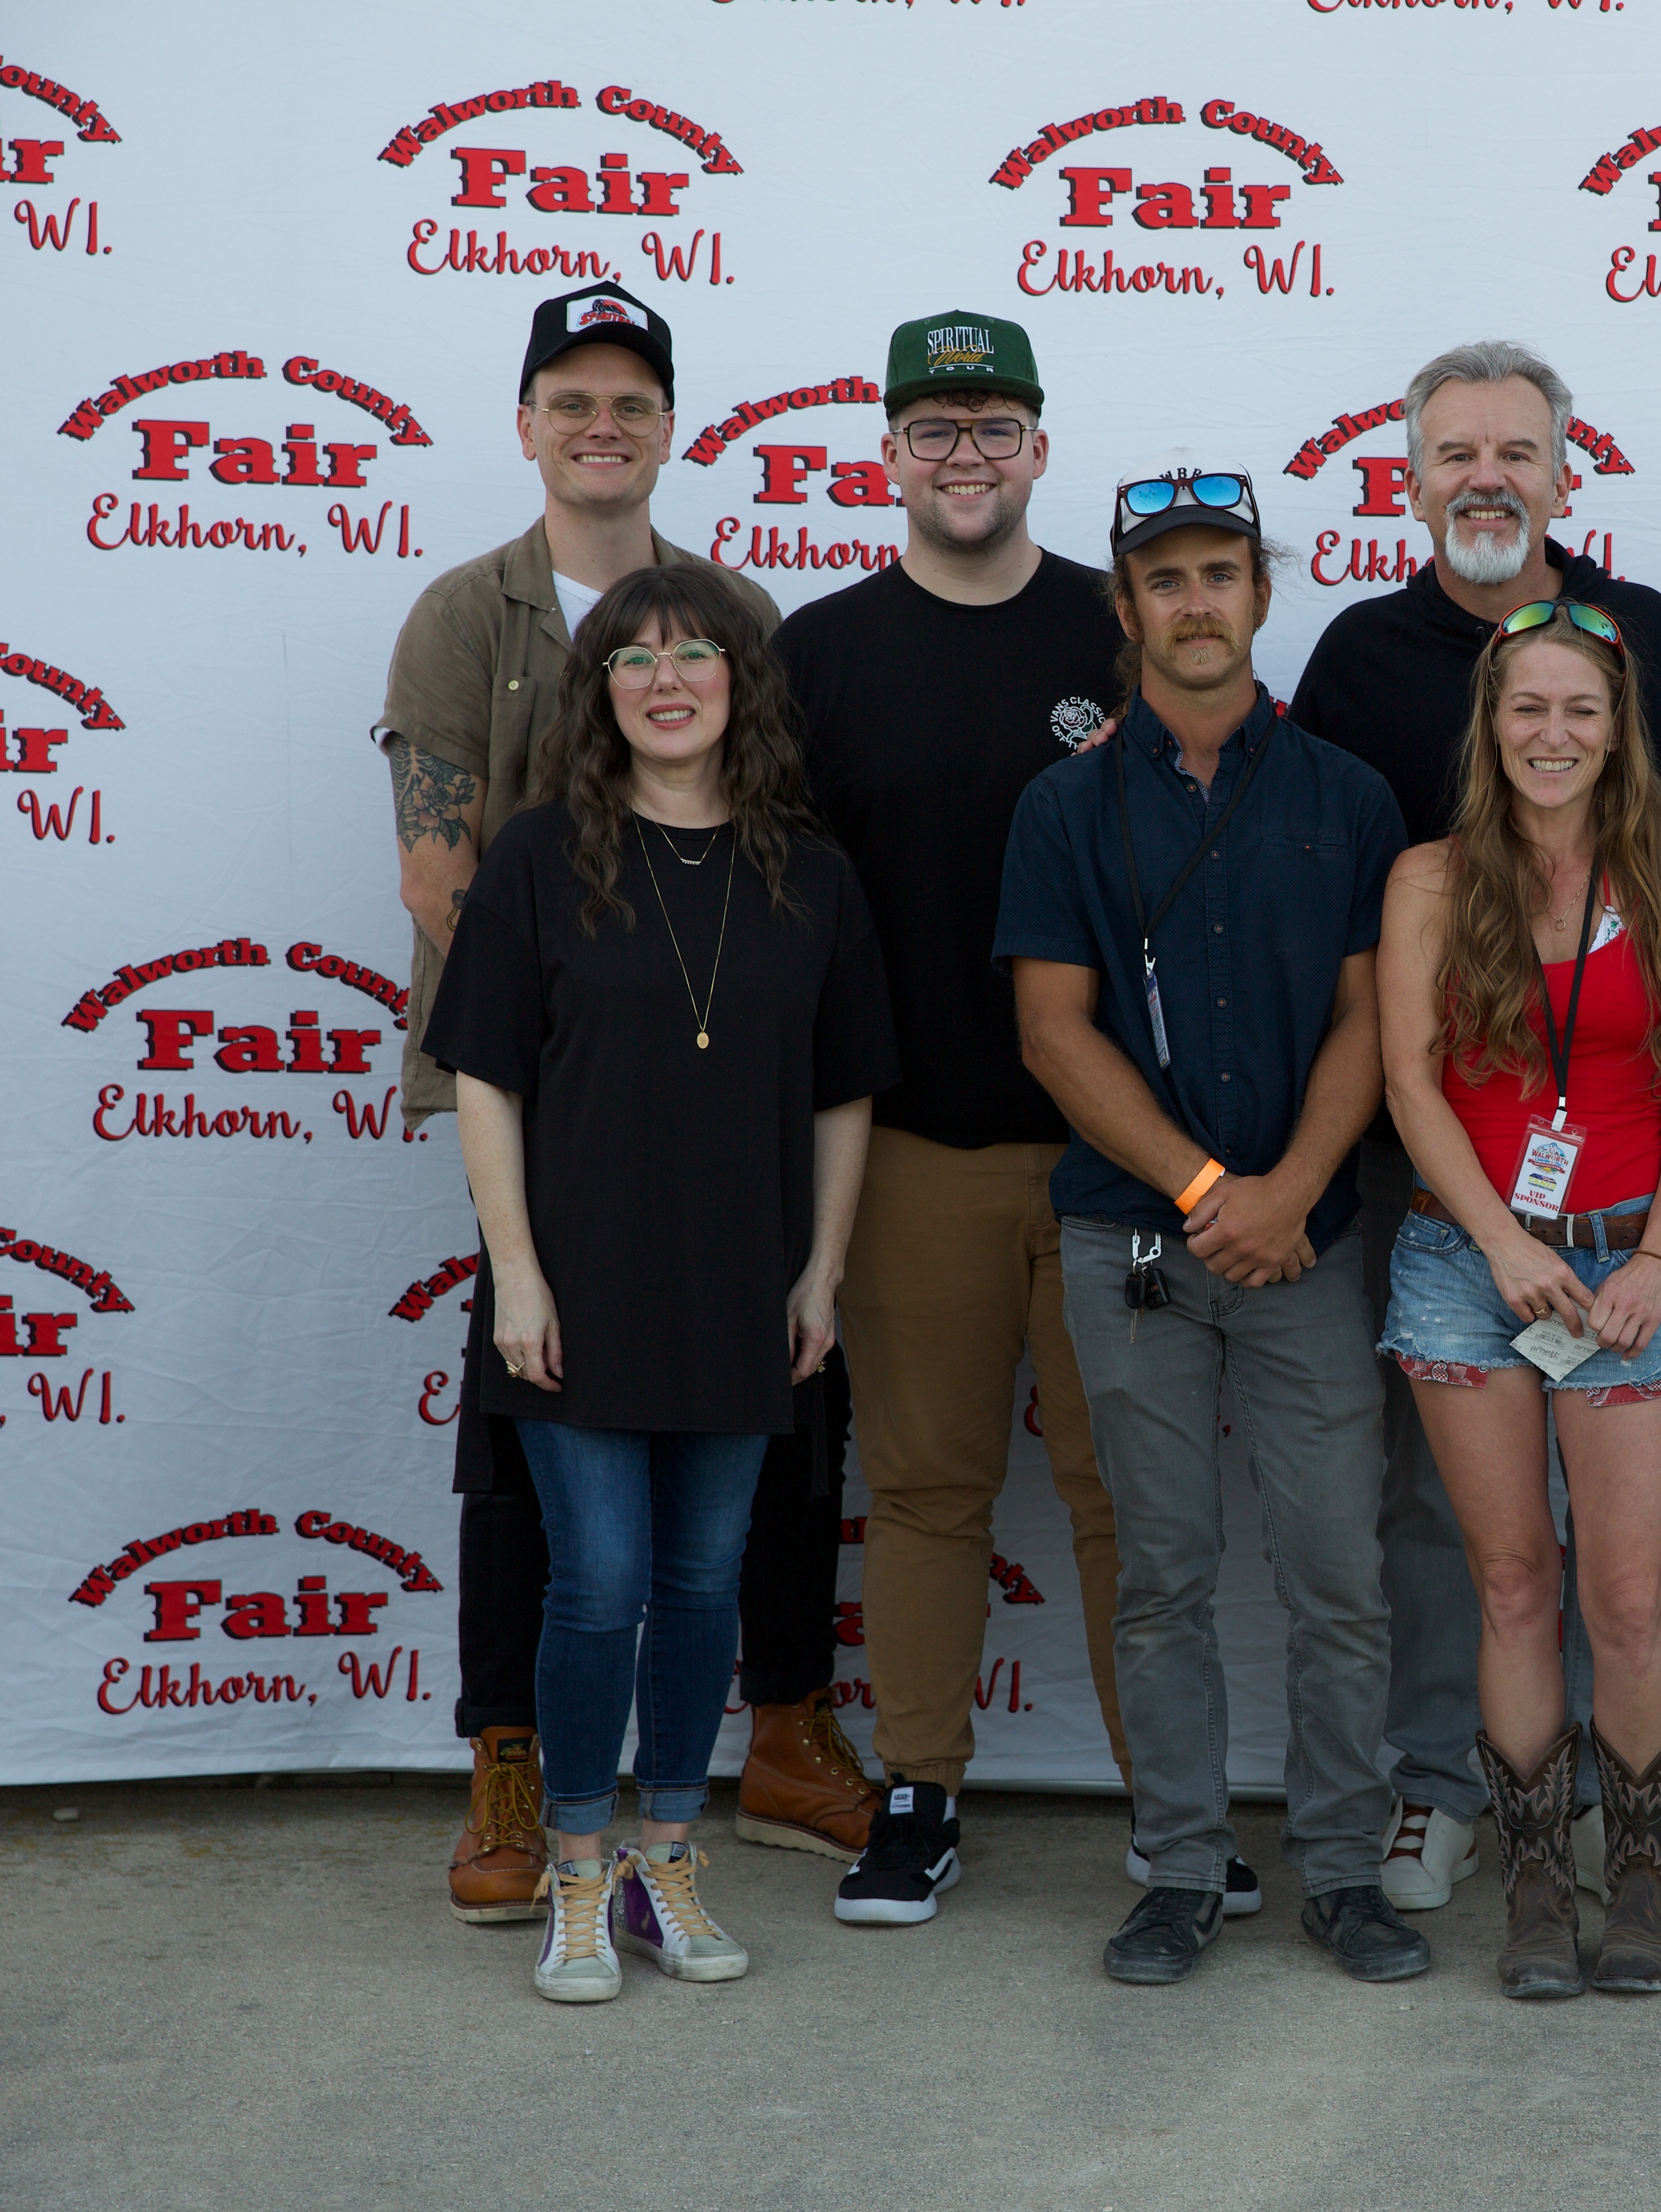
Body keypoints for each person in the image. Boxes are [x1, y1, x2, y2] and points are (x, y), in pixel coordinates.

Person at [376, 282, 879, 1930]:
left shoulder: (735, 607)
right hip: (556, 1101)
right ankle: (516, 1762)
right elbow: (440, 870)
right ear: (528, 424)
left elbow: (774, 844)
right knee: (531, 1467)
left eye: (631, 402)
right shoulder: (466, 613)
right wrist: (590, 997)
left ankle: (770, 1736)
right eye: (572, 401)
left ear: (670, 427)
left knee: (753, 1475)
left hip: (730, 1137)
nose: (603, 427)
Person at [1291, 339, 1661, 1915]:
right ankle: (1459, 1802)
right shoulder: (1361, 660)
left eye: (1516, 452)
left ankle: (1628, 1830)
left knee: (1620, 1579)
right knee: (1465, 1545)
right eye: (1456, 452)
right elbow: (1348, 950)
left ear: (1562, 473)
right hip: (1445, 1208)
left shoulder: (1650, 645)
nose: (1486, 478)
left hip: (1628, 1209)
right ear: (1413, 476)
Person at [424, 565, 900, 2003]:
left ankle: (666, 1862)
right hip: (575, 1286)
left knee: (701, 1587)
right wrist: (516, 1277)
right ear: (600, 693)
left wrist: (822, 1271)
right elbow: (488, 1080)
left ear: (742, 683)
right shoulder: (534, 858)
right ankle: (579, 1869)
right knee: (600, 1583)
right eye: (635, 660)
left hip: (744, 1288)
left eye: (698, 653)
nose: (669, 679)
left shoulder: (811, 874)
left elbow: (842, 1095)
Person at [996, 459, 1424, 1988]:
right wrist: (1205, 1194)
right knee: (1163, 1574)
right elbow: (1054, 1032)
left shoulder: (1349, 795)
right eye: (1164, 578)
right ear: (1125, 609)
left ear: (1262, 590)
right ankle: (1180, 1868)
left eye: (1219, 573)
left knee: (1340, 1577)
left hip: (1306, 1242)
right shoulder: (1061, 805)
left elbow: (1376, 1018)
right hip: (1135, 1246)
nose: (1195, 602)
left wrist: (1289, 1192)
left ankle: (1344, 1872)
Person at [773, 312, 1155, 1930]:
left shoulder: (1123, 628)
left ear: (1041, 448)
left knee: (1129, 1495)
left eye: (994, 425)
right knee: (927, 1490)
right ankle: (919, 1794)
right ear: (889, 455)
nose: (966, 455)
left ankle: (1172, 1806)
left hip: (1119, 1163)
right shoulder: (819, 651)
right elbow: (778, 910)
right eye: (934, 429)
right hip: (916, 1150)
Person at [1378, 601, 1661, 1997]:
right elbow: (1411, 1084)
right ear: (1491, 723)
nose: (1554, 733)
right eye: (1528, 706)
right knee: (1515, 1583)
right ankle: (1532, 1884)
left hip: (1630, 1267)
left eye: (1581, 709)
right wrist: (1503, 1244)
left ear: (1618, 729)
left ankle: (1636, 1875)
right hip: (1468, 1269)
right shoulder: (1429, 880)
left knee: (1627, 1599)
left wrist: (1658, 1259)